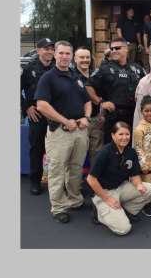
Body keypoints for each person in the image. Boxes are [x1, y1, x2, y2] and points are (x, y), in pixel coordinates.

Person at [35, 40, 92, 223]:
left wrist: (86, 117)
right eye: (61, 53)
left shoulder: (76, 76)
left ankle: (75, 200)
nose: (64, 57)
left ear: (71, 55)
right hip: (59, 132)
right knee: (58, 170)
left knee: (76, 168)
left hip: (79, 130)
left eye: (68, 53)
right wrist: (64, 121)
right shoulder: (48, 77)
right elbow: (41, 105)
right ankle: (58, 206)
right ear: (55, 54)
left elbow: (87, 101)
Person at [86, 122, 151, 235]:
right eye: (120, 134)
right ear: (113, 135)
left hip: (121, 187)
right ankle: (99, 213)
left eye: (127, 134)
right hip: (104, 192)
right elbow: (91, 179)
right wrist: (107, 199)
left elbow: (134, 175)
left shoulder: (131, 152)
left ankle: (127, 211)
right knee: (124, 229)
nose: (124, 137)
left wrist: (138, 185)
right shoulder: (105, 152)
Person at [86, 38, 146, 144]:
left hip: (134, 115)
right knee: (112, 149)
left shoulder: (137, 68)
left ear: (126, 49)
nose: (114, 51)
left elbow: (147, 86)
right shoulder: (104, 68)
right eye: (112, 48)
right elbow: (88, 86)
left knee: (133, 147)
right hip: (113, 115)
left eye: (117, 48)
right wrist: (101, 102)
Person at [21, 37, 54, 195]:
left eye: (51, 48)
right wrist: (26, 107)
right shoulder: (29, 68)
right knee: (37, 149)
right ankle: (35, 181)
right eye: (45, 48)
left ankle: (56, 182)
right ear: (38, 50)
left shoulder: (58, 67)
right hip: (37, 115)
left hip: (56, 114)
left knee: (57, 149)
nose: (49, 51)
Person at [71, 47, 103, 169]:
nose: (85, 60)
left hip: (96, 120)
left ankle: (94, 183)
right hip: (78, 121)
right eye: (81, 57)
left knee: (97, 154)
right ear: (75, 59)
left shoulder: (97, 75)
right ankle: (74, 186)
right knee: (76, 156)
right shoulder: (71, 76)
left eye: (87, 57)